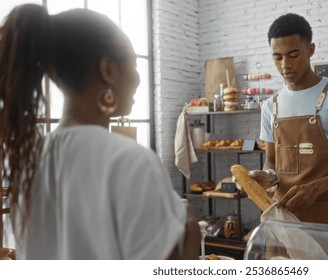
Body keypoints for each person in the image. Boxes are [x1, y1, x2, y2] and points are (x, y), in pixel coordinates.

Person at [0, 4, 200, 259]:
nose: (138, 79)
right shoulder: (131, 161)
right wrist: (191, 224)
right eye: (133, 63)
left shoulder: (26, 162)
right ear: (108, 69)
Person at [257, 13, 328, 226]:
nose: (285, 65)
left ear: (310, 50)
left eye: (293, 55)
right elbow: (272, 160)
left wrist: (316, 188)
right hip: (284, 223)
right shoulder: (269, 106)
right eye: (278, 57)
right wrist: (267, 176)